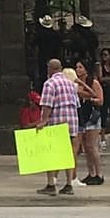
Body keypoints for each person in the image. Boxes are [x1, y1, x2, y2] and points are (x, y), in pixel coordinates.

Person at [35, 59, 80, 195]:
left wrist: (43, 121)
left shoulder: (50, 83)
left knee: (52, 153)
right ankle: (69, 184)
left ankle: (51, 184)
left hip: (57, 121)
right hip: (72, 121)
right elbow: (77, 103)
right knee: (68, 153)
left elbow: (47, 104)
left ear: (50, 69)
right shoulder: (70, 83)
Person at [73, 60, 104, 186]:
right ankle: (91, 173)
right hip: (81, 116)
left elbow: (100, 100)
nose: (78, 69)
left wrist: (88, 98)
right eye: (76, 67)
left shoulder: (93, 82)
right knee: (86, 147)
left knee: (92, 146)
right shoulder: (75, 84)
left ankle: (99, 173)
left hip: (92, 116)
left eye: (80, 67)